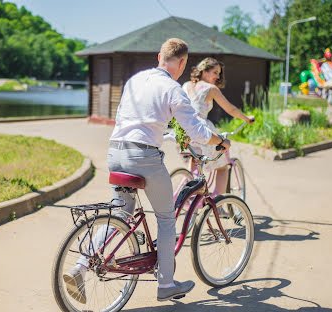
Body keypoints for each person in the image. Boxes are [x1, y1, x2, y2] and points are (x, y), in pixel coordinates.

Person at [63, 38, 230, 303]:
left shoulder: (135, 80)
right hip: (144, 157)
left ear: (159, 56)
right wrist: (220, 140)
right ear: (183, 62)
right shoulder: (173, 89)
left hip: (116, 151)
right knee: (165, 218)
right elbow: (197, 132)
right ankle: (166, 283)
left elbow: (131, 118)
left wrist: (163, 133)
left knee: (122, 213)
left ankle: (80, 266)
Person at [182, 57, 254, 196]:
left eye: (219, 73)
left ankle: (189, 193)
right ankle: (218, 206)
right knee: (222, 168)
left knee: (194, 161)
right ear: (204, 71)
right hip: (201, 130)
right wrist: (246, 118)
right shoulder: (211, 89)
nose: (218, 76)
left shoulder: (186, 85)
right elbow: (230, 109)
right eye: (215, 72)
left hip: (184, 130)